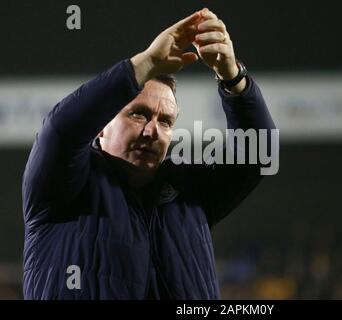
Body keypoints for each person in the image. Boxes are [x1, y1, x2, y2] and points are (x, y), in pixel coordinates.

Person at [22, 8, 276, 299]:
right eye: (139, 115)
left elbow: (259, 153)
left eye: (166, 121)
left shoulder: (188, 192)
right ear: (102, 126)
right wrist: (148, 62)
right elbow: (61, 130)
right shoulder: (63, 185)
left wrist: (233, 77)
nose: (153, 130)